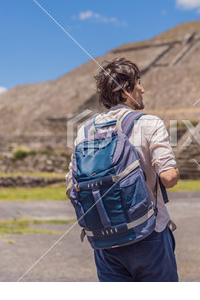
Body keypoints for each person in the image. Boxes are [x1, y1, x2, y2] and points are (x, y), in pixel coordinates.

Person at [65, 57, 180, 282]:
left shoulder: (85, 131)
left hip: (105, 241)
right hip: (149, 233)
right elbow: (168, 178)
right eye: (138, 83)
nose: (143, 89)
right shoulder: (149, 123)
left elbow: (71, 186)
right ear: (126, 89)